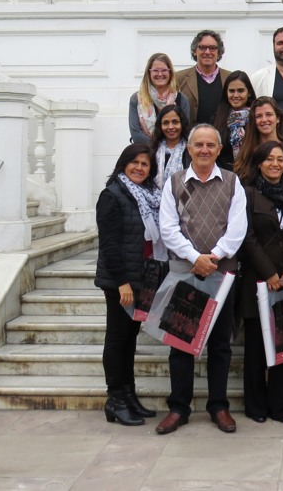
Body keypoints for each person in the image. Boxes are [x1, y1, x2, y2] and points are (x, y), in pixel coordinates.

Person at [156, 124, 247, 435]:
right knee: (180, 343)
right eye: (199, 145)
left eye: (211, 145)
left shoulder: (233, 183)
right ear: (189, 149)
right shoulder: (175, 182)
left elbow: (237, 228)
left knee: (220, 344)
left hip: (221, 276)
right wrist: (195, 258)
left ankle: (218, 406)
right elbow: (167, 228)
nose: (205, 150)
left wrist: (214, 257)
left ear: (219, 149)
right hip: (187, 273)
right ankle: (178, 408)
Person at [237, 141, 283, 424]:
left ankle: (281, 406)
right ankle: (255, 406)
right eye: (269, 159)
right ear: (259, 164)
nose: (275, 164)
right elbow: (247, 237)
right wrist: (268, 273)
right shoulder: (248, 195)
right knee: (255, 347)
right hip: (258, 281)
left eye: (280, 160)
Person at [94, 143, 162, 426]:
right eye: (134, 162)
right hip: (120, 281)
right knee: (117, 339)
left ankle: (128, 394)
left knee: (129, 339)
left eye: (145, 164)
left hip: (141, 277)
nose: (139, 168)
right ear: (123, 164)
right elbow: (109, 244)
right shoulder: (112, 195)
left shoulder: (149, 195)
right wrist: (121, 281)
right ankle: (115, 399)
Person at [234, 96, 283, 189]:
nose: (264, 120)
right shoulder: (246, 153)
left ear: (278, 118)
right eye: (259, 116)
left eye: (269, 114)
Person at [129, 53, 190, 145]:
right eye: (155, 70)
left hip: (174, 153)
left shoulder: (181, 99)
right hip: (146, 153)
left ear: (170, 72)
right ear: (149, 73)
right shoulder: (136, 99)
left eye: (164, 70)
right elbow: (136, 133)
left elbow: (184, 130)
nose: (160, 74)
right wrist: (159, 146)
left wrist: (168, 148)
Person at [175, 30, 230, 127]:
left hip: (223, 139)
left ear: (219, 52)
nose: (207, 52)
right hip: (191, 139)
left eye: (212, 48)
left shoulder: (230, 78)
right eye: (203, 47)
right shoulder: (179, 78)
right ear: (195, 51)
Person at [213, 70, 256, 170]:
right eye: (231, 91)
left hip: (252, 174)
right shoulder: (218, 118)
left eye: (240, 91)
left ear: (249, 92)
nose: (236, 95)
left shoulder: (257, 117)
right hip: (224, 175)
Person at [151, 104, 190, 191]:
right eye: (166, 123)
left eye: (175, 122)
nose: (170, 127)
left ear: (182, 124)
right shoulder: (152, 150)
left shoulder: (191, 151)